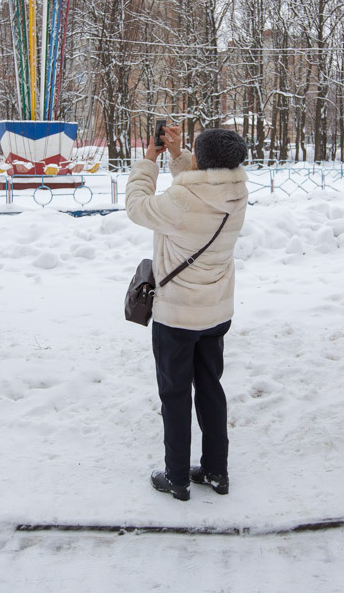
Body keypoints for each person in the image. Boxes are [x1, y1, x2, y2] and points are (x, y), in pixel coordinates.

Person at [125, 124, 249, 501]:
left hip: (177, 317)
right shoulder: (236, 191)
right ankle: (216, 471)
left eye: (193, 151)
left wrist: (149, 161)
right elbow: (201, 189)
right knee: (210, 388)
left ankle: (176, 477)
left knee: (175, 394)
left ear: (201, 160)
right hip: (215, 312)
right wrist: (180, 156)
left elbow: (137, 206)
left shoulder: (181, 201)